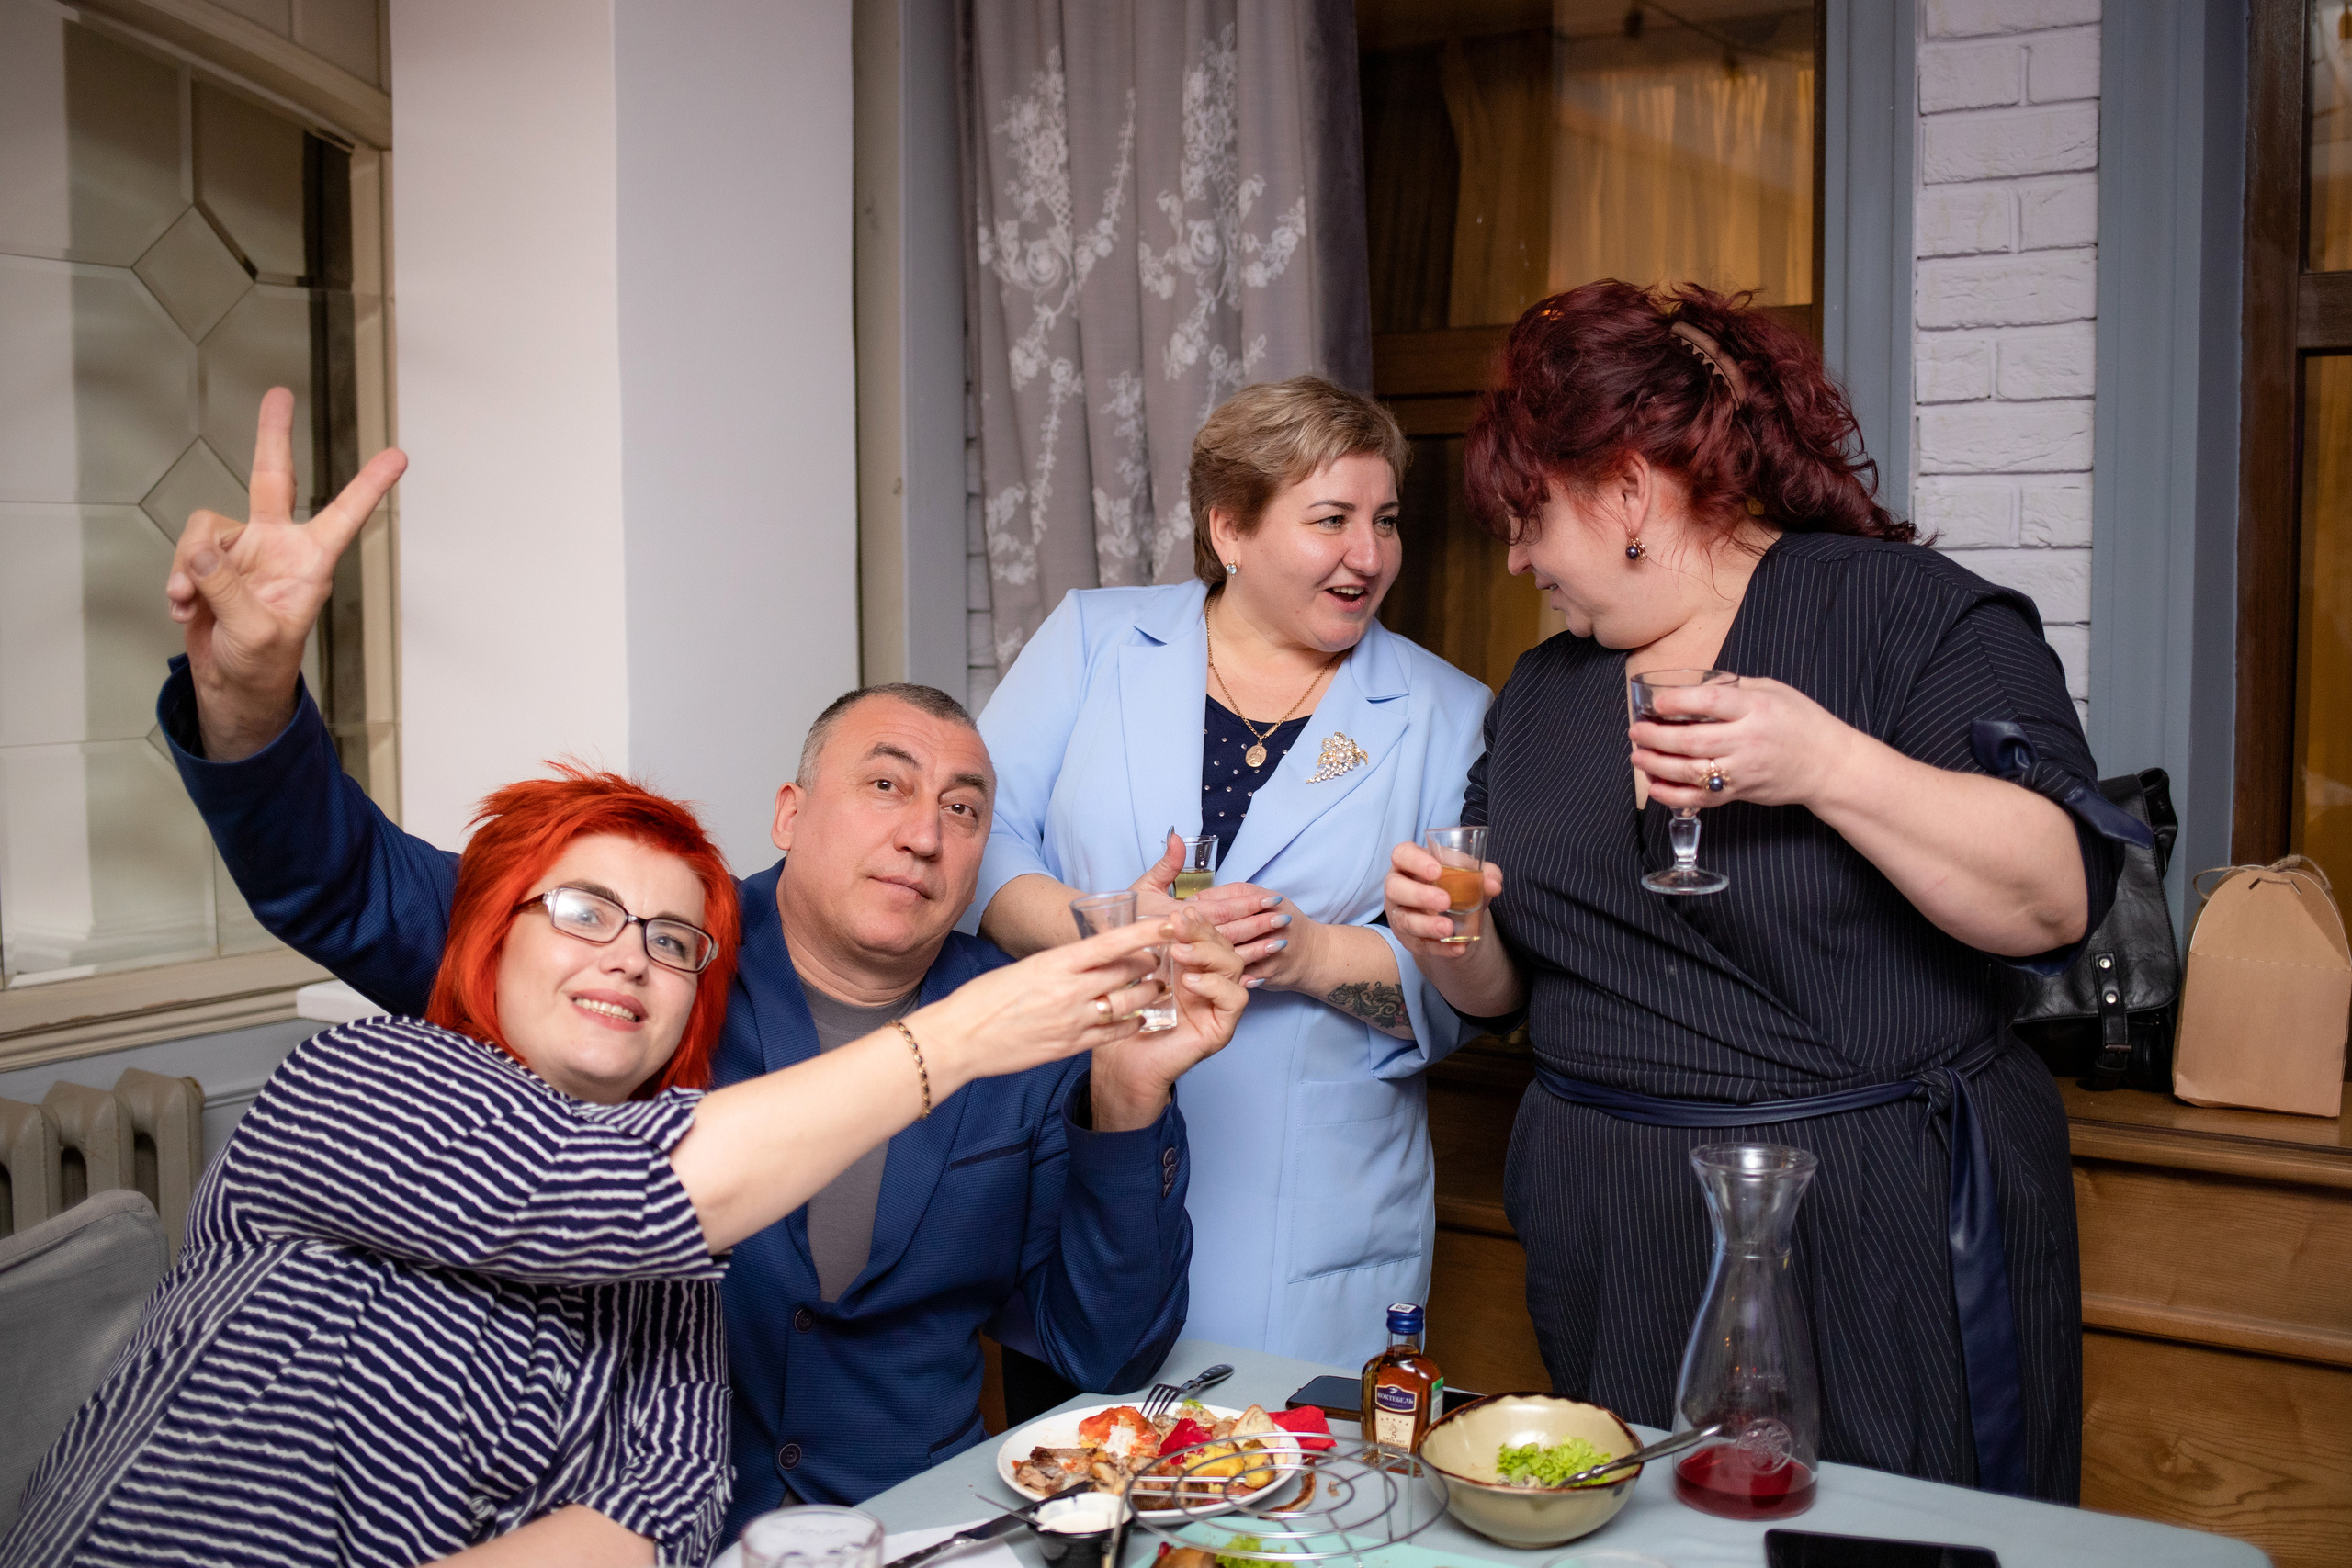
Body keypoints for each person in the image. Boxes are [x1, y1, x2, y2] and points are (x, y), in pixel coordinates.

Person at [153, 390, 1247, 1539]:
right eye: (885, 784)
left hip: (909, 1533)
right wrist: (248, 691)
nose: (924, 831)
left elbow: (1099, 1346)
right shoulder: (640, 954)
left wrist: (1127, 1095)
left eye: (963, 808)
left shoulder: (1019, 1033)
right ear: (789, 810)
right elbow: (337, 879)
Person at [5, 767, 1231, 1568]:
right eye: (584, 911)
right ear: (494, 932)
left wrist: (1123, 1081)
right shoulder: (367, 1075)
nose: (631, 957)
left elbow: (656, 1506)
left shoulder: (673, 1266)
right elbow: (603, 1193)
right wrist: (968, 1034)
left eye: (670, 938)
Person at [1384, 283, 2133, 1503]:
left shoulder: (1908, 616)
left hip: (1864, 1232)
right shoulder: (1544, 691)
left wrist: (1829, 762)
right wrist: (1454, 938)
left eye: (1529, 516)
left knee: (1885, 1532)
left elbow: (2056, 895)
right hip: (1610, 1236)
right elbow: (1512, 979)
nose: (1517, 555)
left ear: (1626, 490)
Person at [974, 376, 1492, 1367]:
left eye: (1384, 520)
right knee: (1079, 1485)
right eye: (1331, 519)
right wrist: (1100, 922)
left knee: (1287, 1504)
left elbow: (1464, 981)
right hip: (1087, 1154)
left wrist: (1307, 955)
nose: (1369, 555)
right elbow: (985, 844)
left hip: (1307, 1210)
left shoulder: (1449, 713)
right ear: (1230, 530)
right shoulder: (1094, 642)